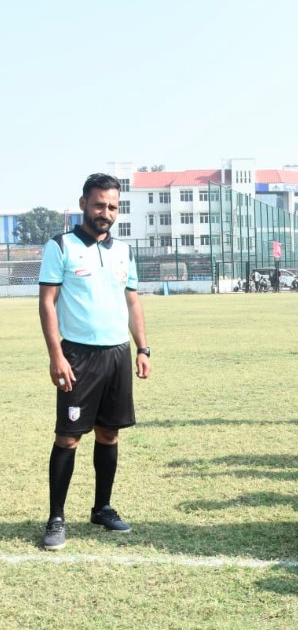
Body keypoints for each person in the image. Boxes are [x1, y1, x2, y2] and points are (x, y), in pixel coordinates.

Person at [37, 173, 152, 551]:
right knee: (68, 437)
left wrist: (142, 348)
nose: (106, 213)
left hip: (117, 354)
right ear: (84, 203)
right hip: (77, 355)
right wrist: (56, 355)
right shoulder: (61, 246)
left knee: (109, 434)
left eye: (113, 207)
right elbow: (48, 303)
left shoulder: (124, 252)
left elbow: (132, 302)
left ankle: (102, 508)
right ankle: (56, 518)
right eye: (100, 205)